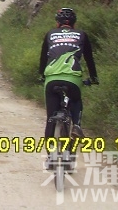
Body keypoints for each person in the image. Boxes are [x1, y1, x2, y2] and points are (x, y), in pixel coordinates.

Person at [38, 8, 98, 140]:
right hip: (72, 78)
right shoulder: (81, 34)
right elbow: (89, 59)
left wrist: (41, 76)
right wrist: (94, 78)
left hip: (51, 78)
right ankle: (76, 125)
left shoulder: (50, 34)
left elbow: (43, 58)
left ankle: (51, 157)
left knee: (50, 118)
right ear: (74, 24)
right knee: (76, 99)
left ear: (57, 23)